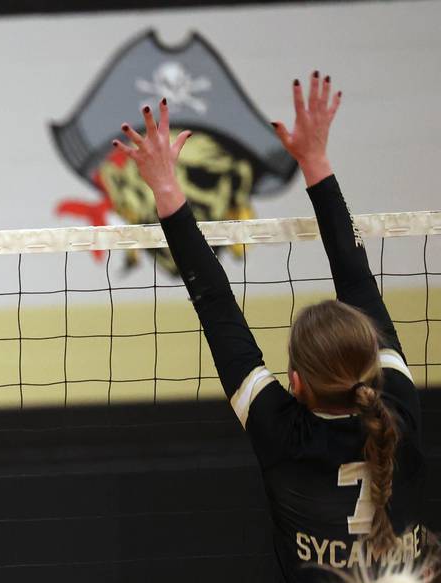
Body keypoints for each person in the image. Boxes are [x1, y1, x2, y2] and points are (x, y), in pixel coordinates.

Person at [112, 71, 425, 581]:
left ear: (296, 383)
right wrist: (317, 162)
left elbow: (216, 305)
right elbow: (358, 283)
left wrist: (166, 187)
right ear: (373, 360)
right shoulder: (402, 412)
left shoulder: (280, 432)